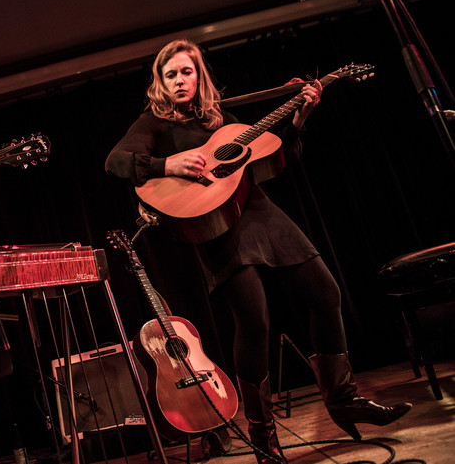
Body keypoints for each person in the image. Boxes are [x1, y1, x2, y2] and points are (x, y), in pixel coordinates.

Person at [105, 39, 412, 464]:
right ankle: (263, 434)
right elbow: (116, 161)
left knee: (326, 292)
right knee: (254, 320)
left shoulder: (224, 120)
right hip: (214, 224)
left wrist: (301, 114)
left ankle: (343, 398)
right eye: (170, 74)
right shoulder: (153, 123)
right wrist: (167, 164)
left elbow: (277, 154)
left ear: (200, 76)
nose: (179, 80)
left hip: (260, 213)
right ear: (160, 81)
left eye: (186, 71)